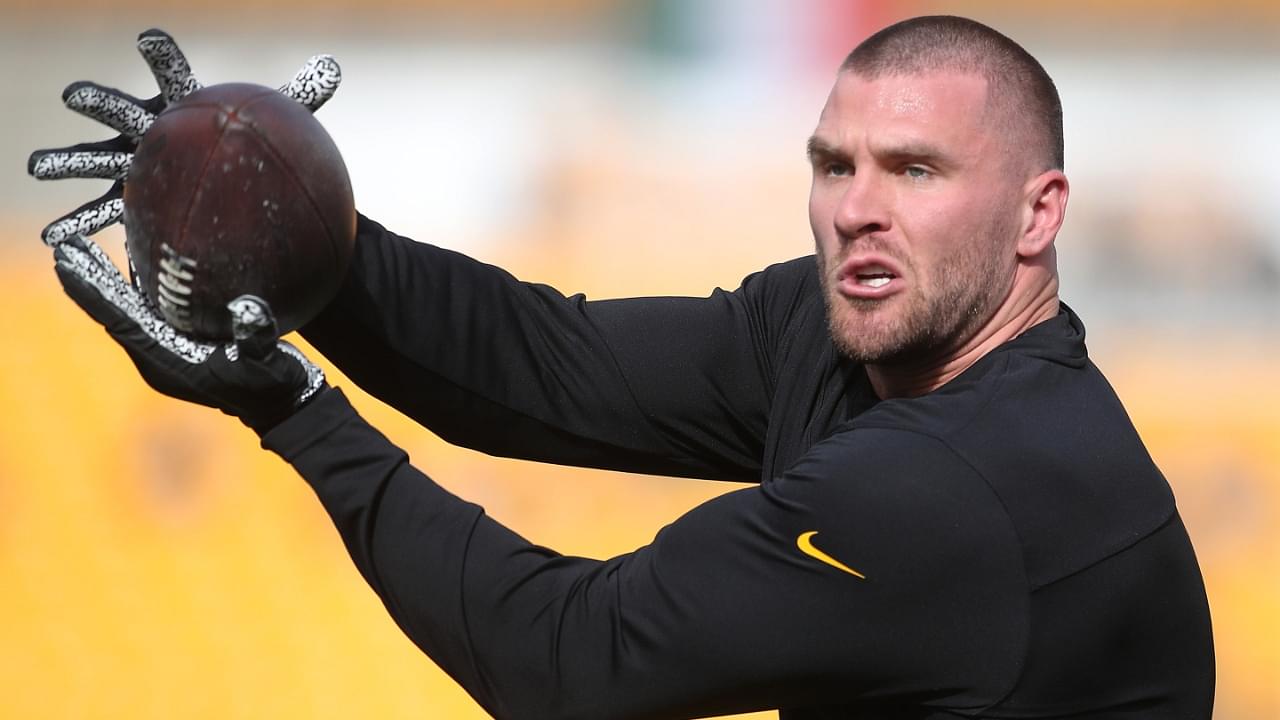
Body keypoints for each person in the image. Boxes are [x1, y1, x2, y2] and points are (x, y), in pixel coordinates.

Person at [33, 16, 1214, 720]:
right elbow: (542, 361)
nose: (855, 210)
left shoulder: (956, 490)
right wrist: (272, 215)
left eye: (912, 171)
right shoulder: (838, 333)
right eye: (833, 164)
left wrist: (298, 415)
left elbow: (569, 659)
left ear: (1034, 214)